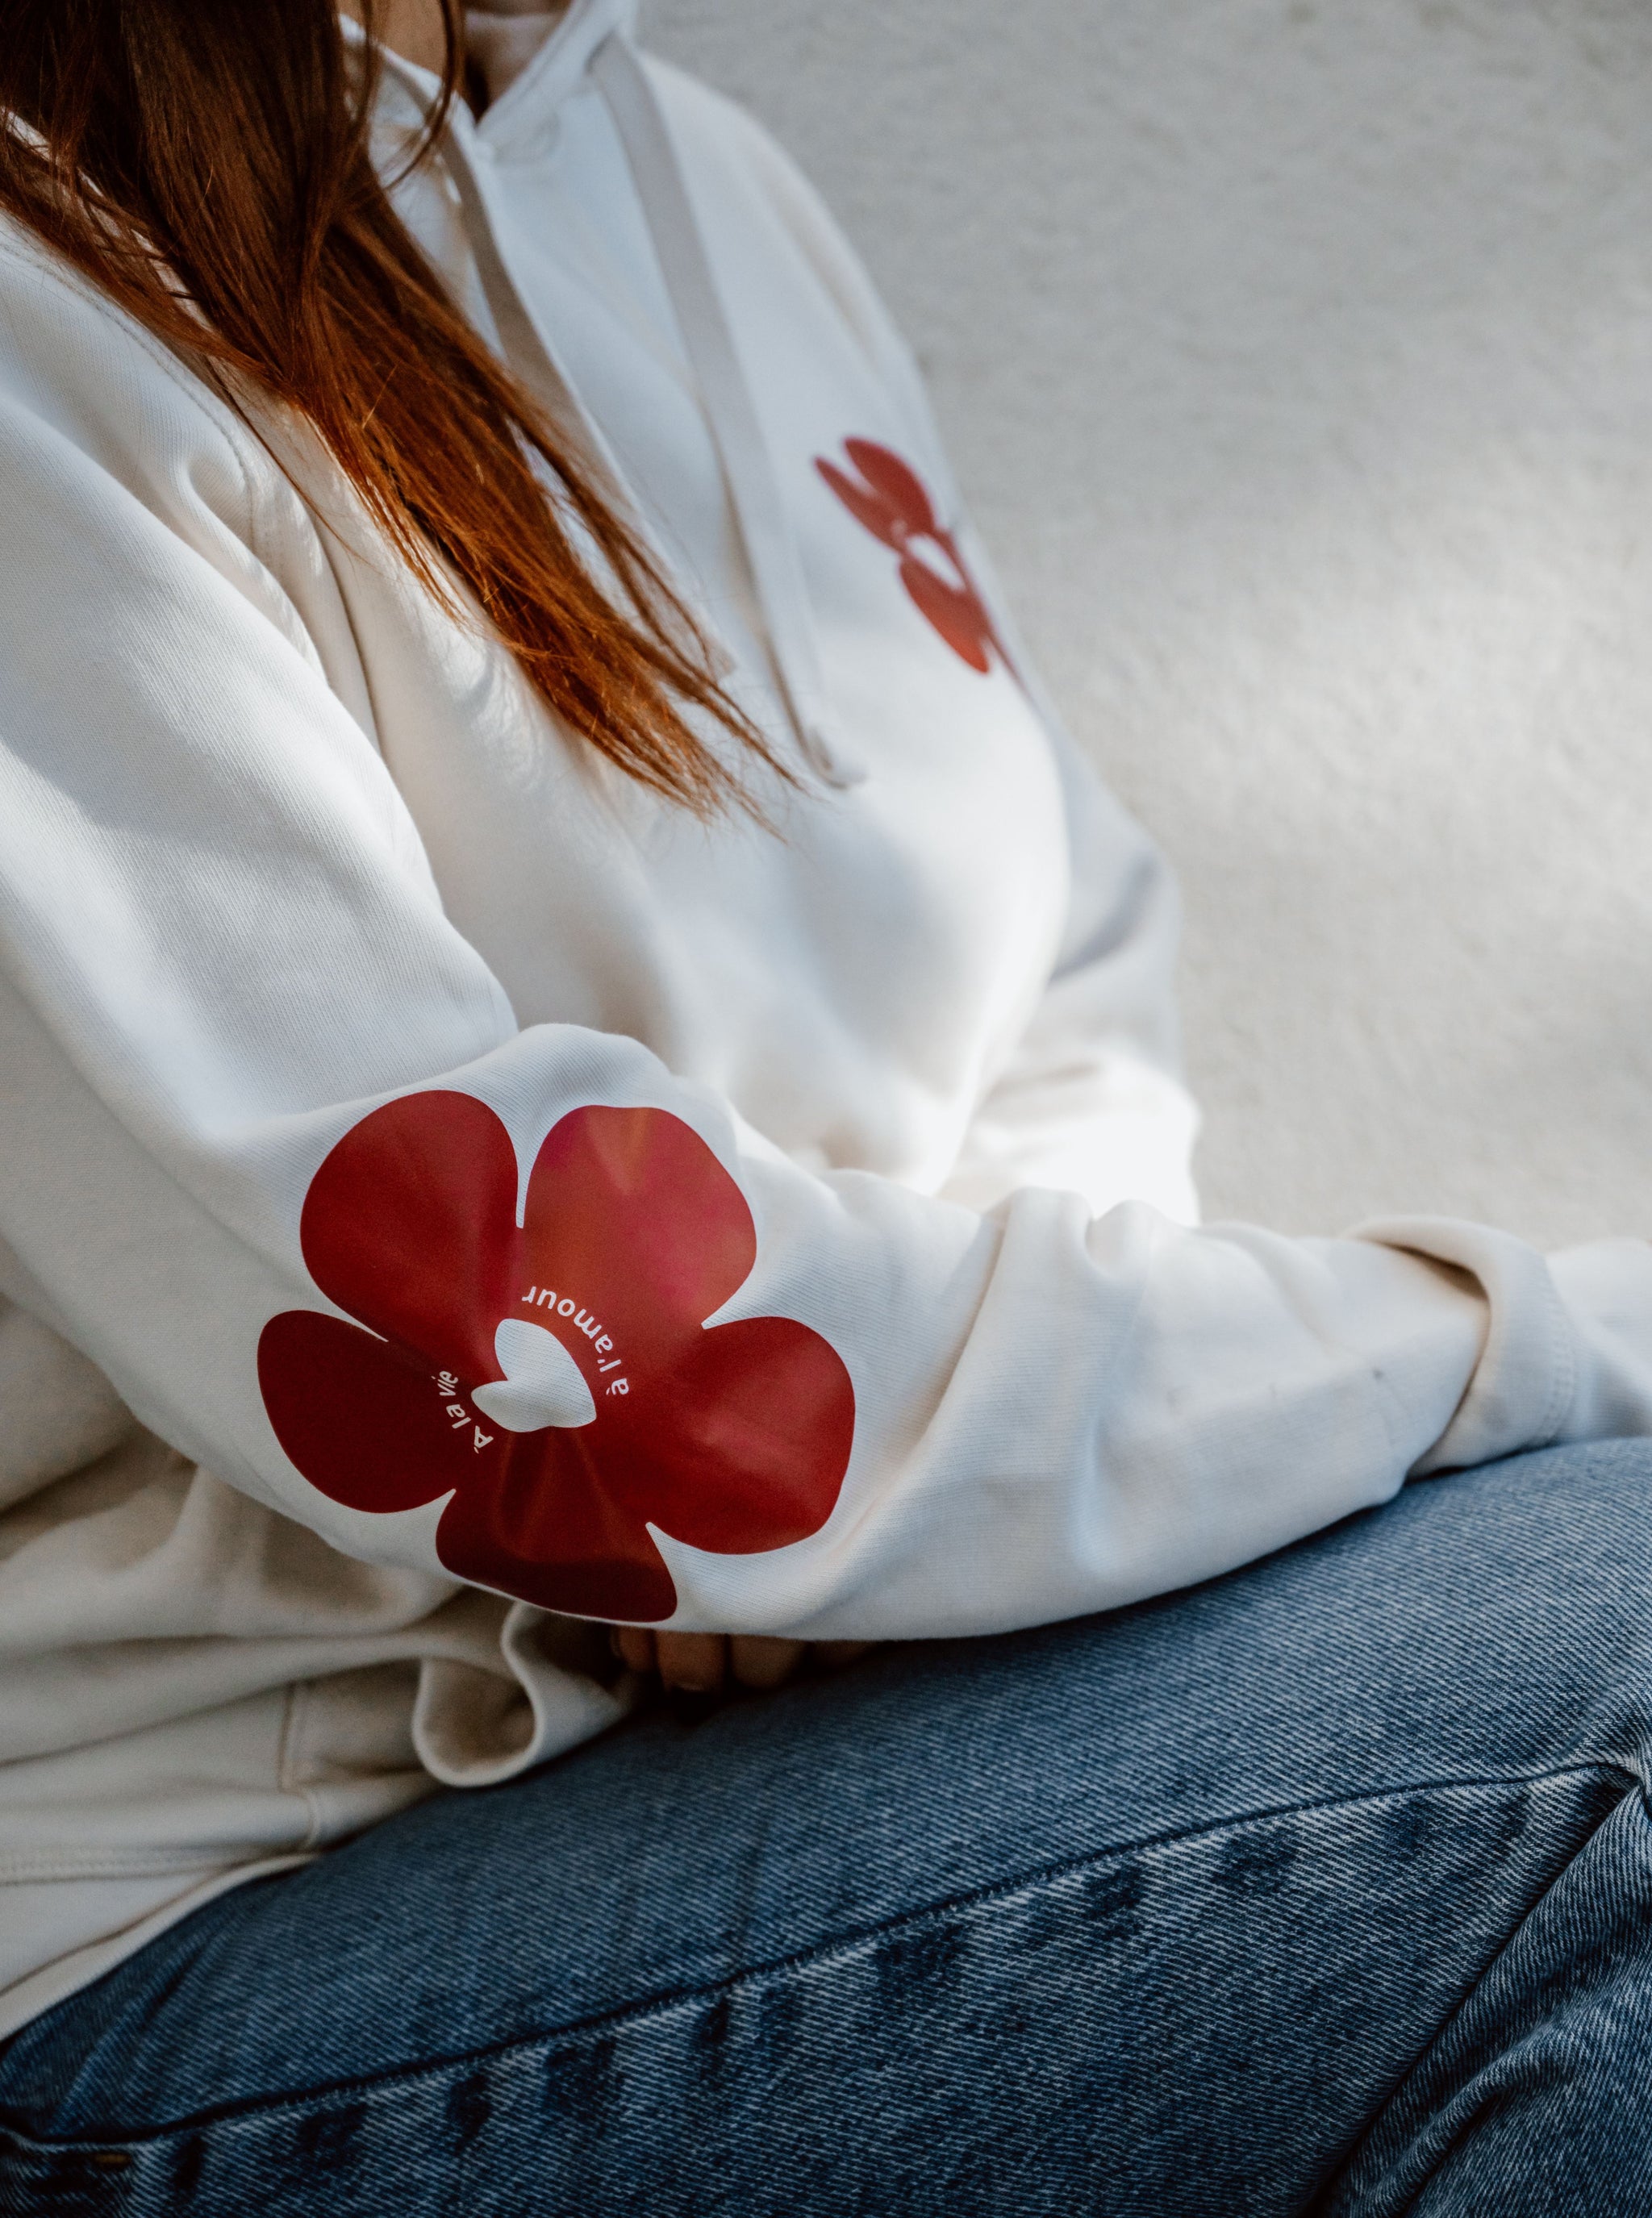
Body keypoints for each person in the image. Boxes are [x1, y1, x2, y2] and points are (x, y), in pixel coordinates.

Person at [1, 0, 1651, 2208]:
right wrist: (1505, 1341)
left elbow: (1056, 973)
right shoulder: (43, 291)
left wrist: (918, 1541)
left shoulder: (701, 179)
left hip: (814, 1719)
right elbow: (535, 1336)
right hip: (189, 1925)